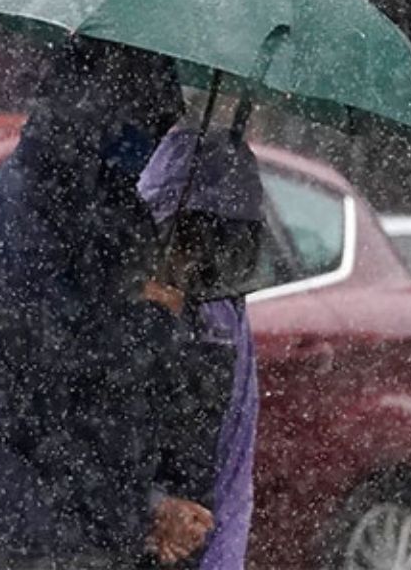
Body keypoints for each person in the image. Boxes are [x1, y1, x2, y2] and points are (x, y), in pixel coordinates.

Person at [0, 41, 214, 570]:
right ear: (101, 112)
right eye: (143, 117)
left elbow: (117, 397)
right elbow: (57, 365)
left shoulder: (95, 207)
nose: (150, 139)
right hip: (27, 529)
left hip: (78, 522)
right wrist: (154, 320)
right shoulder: (15, 215)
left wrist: (147, 504)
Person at [138, 128, 264, 570]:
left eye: (213, 241)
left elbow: (232, 467)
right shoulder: (113, 310)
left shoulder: (222, 320)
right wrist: (148, 510)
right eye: (186, 236)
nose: (195, 260)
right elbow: (79, 447)